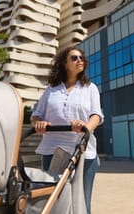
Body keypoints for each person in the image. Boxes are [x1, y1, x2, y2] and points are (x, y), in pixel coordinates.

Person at [31, 46, 104, 214]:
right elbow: (37, 114)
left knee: (82, 202)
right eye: (74, 58)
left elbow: (96, 115)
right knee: (52, 198)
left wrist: (86, 127)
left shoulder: (90, 88)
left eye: (81, 58)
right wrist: (39, 124)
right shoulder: (51, 89)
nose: (80, 60)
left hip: (83, 150)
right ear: (64, 64)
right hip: (52, 150)